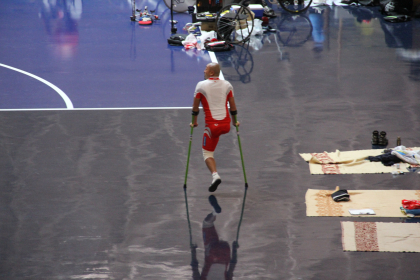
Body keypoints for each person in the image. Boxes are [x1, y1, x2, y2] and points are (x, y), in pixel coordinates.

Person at [191, 62, 239, 192]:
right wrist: (235, 122)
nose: (204, 71)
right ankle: (215, 176)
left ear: (211, 72)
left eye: (206, 69)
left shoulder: (201, 86)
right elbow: (233, 107)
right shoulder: (228, 85)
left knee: (207, 153)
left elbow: (195, 108)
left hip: (212, 128)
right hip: (226, 125)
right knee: (216, 136)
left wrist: (194, 122)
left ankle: (215, 175)